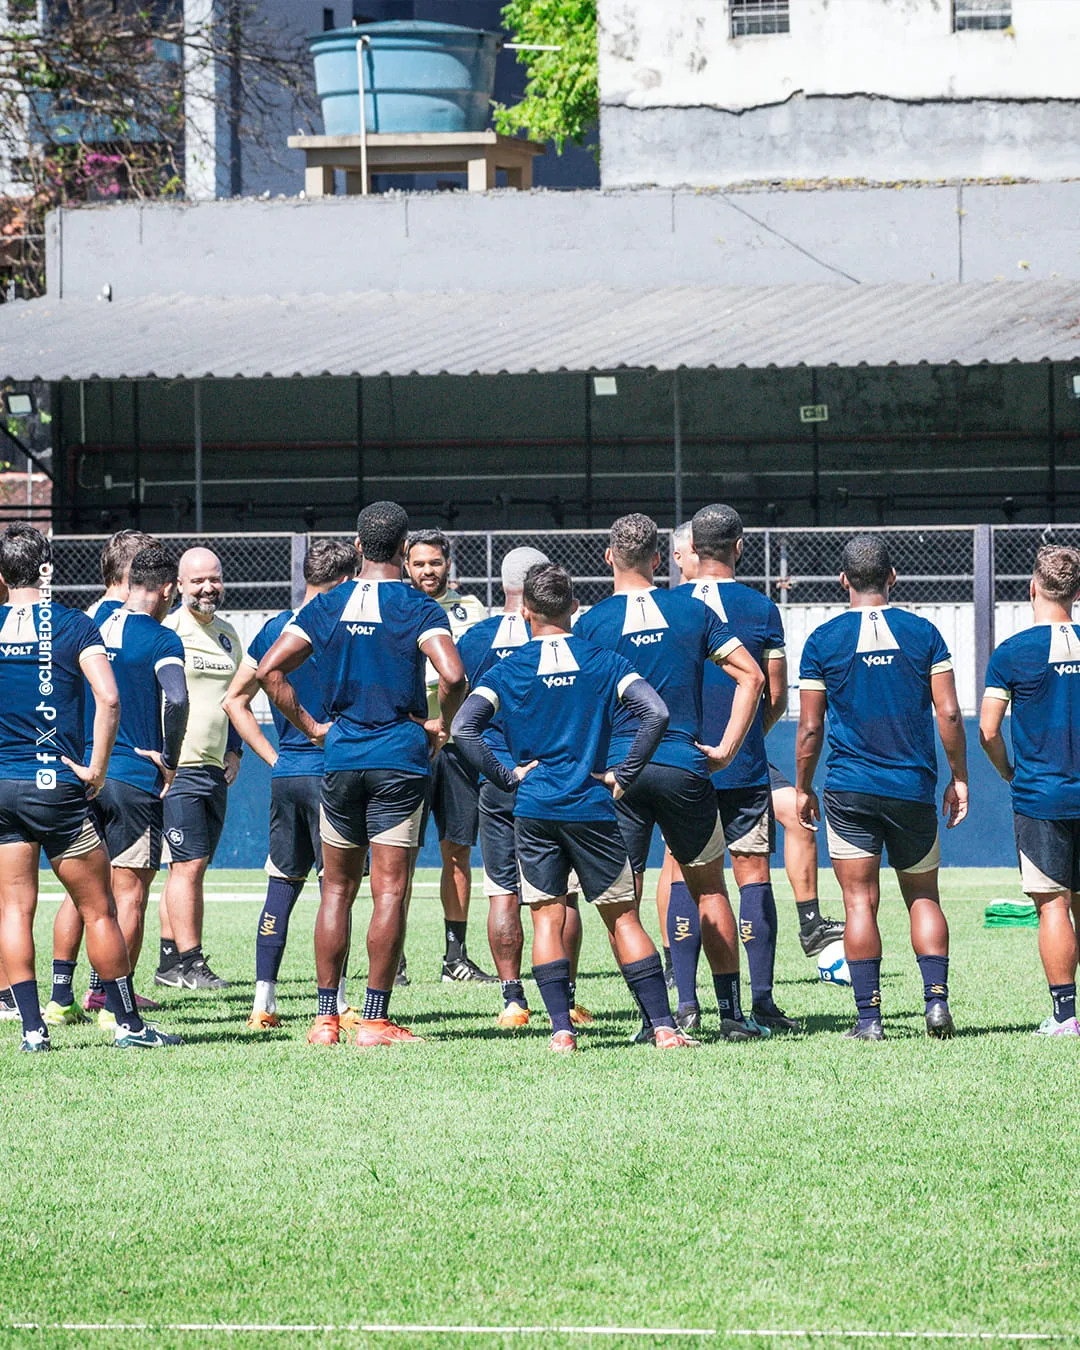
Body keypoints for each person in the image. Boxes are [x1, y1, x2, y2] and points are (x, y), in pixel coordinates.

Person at [453, 561, 696, 1053]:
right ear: (575, 609)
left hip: (535, 809)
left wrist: (504, 775)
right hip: (592, 806)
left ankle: (561, 1030)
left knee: (545, 917)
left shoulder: (510, 668)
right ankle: (665, 1028)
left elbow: (462, 728)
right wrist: (624, 774)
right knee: (623, 918)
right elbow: (657, 711)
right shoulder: (603, 660)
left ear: (525, 612)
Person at [256, 501, 467, 1047]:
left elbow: (268, 670)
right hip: (398, 757)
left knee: (337, 890)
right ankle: (373, 1019)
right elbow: (453, 672)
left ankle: (326, 1019)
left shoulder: (328, 605)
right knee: (389, 890)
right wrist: (440, 724)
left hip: (341, 756)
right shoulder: (418, 606)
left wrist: (310, 726)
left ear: (356, 547)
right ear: (403, 549)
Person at [574, 514, 771, 1041]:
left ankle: (654, 1020)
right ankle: (732, 1016)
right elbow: (752, 675)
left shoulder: (592, 624)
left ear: (609, 558)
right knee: (710, 888)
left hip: (622, 775)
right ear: (661, 560)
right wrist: (727, 749)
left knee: (623, 902)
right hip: (685, 765)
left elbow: (579, 703)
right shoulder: (691, 610)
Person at [0, 524, 180, 1050]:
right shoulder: (74, 625)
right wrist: (96, 769)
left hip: (4, 784)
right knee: (99, 906)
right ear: (47, 569)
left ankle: (33, 1029)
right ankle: (129, 1025)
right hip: (54, 784)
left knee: (14, 908)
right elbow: (109, 698)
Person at [796, 534, 968, 1041]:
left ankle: (869, 1020)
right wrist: (959, 777)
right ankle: (935, 1004)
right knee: (923, 897)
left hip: (849, 790)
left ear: (842, 580)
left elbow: (808, 729)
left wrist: (803, 787)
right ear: (893, 577)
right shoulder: (924, 633)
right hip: (912, 786)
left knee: (857, 903)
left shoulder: (822, 641)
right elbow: (950, 712)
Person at [45, 546, 189, 1030]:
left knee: (80, 890)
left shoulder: (87, 628)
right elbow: (177, 696)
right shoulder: (162, 639)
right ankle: (111, 1001)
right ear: (168, 589)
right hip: (132, 779)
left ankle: (61, 998)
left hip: (83, 774)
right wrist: (169, 757)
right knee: (129, 895)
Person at [223, 538, 357, 1031]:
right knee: (335, 891)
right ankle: (337, 1002)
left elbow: (235, 701)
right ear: (344, 581)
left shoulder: (273, 629)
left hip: (286, 778)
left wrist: (275, 758)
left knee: (281, 885)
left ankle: (264, 1003)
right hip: (332, 774)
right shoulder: (345, 628)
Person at [457, 546, 592, 1030]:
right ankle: (568, 997)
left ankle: (512, 999)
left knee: (501, 891)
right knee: (565, 893)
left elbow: (458, 699)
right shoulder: (574, 637)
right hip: (558, 776)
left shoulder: (476, 638)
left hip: (500, 775)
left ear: (502, 584)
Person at [980, 544, 1080, 1036]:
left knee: (1054, 905)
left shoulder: (1011, 653)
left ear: (1032, 587)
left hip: (1041, 796)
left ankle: (1064, 1017)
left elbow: (989, 730)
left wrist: (1008, 772)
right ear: (1077, 593)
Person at [154, 548, 245, 991]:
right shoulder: (168, 630)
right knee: (186, 866)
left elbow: (236, 698)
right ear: (179, 584)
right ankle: (191, 963)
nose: (208, 587)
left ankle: (169, 962)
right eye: (198, 581)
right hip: (180, 767)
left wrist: (238, 749)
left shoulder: (229, 635)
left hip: (214, 766)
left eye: (215, 578)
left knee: (191, 867)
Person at [404, 529, 493, 982]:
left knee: (457, 851)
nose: (427, 572)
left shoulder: (472, 610)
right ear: (406, 565)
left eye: (434, 563)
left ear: (448, 563)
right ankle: (394, 961)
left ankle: (454, 958)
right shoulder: (397, 606)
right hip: (409, 741)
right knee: (395, 855)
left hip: (457, 746)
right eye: (419, 564)